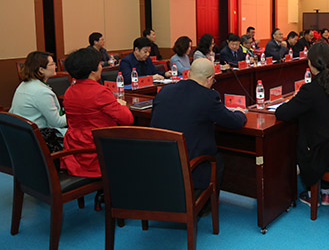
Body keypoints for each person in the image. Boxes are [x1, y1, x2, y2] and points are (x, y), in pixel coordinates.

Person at [275, 43, 329, 206]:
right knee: (319, 127)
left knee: (305, 130)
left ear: (310, 63)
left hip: (326, 153)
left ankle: (311, 193)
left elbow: (282, 113)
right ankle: (325, 192)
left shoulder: (310, 90)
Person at [151, 58, 247, 191]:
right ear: (210, 79)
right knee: (218, 160)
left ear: (189, 73)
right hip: (190, 169)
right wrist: (240, 113)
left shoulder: (164, 91)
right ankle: (206, 201)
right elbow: (234, 122)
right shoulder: (208, 97)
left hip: (160, 163)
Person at [61, 47, 134, 177]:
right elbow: (127, 119)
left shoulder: (69, 91)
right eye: (99, 64)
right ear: (92, 70)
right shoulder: (100, 92)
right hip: (98, 151)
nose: (101, 67)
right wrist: (121, 105)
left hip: (74, 150)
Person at [10, 52, 67, 151]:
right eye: (52, 64)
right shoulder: (41, 91)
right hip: (40, 141)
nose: (56, 66)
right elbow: (57, 122)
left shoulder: (24, 84)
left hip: (23, 136)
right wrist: (75, 113)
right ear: (41, 70)